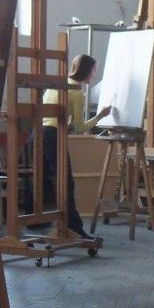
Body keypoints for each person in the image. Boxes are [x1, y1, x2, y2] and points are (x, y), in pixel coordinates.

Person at [38, 54, 112, 239]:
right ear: (86, 71)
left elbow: (51, 112)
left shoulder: (59, 83)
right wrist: (100, 116)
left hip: (38, 133)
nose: (94, 74)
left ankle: (36, 222)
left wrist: (68, 122)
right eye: (93, 71)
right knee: (66, 183)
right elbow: (80, 128)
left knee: (42, 178)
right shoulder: (76, 92)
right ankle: (74, 228)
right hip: (53, 136)